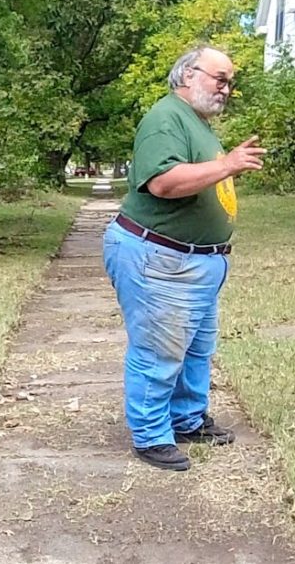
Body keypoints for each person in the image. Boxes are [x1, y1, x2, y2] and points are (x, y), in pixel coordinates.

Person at [102, 46, 266, 471]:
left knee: (195, 349)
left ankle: (186, 419)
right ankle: (151, 436)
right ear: (187, 75)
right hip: (160, 258)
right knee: (160, 350)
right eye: (219, 78)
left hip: (194, 263)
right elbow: (163, 182)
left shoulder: (195, 122)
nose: (226, 89)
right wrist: (228, 165)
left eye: (230, 81)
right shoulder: (166, 118)